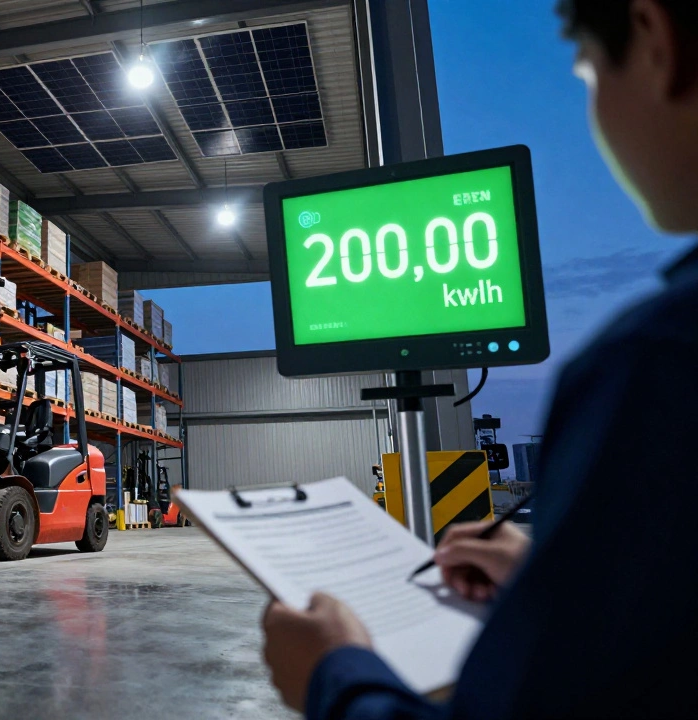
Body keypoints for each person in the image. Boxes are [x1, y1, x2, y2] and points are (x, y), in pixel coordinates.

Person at [261, 0, 698, 717]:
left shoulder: (656, 366)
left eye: (586, 72)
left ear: (654, 41)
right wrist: (563, 583)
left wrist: (335, 676)